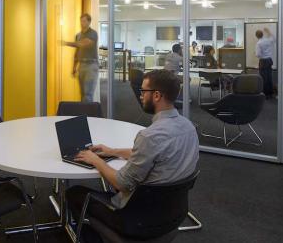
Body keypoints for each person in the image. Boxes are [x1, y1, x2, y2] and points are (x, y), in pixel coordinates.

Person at [66, 70, 199, 242]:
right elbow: (155, 155)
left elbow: (121, 183)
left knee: (74, 193)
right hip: (173, 214)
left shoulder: (149, 136)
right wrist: (112, 151)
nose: (141, 95)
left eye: (143, 91)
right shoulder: (188, 127)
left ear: (157, 95)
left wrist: (96, 160)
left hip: (137, 220)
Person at [63, 13, 99, 102]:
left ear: (89, 22)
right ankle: (84, 114)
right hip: (81, 65)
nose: (82, 23)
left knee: (88, 94)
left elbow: (84, 43)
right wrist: (74, 67)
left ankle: (88, 115)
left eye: (84, 21)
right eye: (81, 21)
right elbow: (77, 52)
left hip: (91, 66)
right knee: (82, 93)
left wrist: (66, 43)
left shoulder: (93, 33)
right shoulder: (78, 35)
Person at [255, 28, 275, 99]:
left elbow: (258, 54)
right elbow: (273, 38)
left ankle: (265, 94)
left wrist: (260, 54)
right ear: (262, 34)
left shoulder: (259, 43)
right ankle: (270, 93)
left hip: (263, 61)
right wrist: (268, 31)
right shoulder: (268, 40)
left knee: (263, 78)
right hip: (269, 60)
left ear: (257, 36)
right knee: (269, 77)